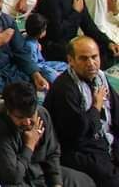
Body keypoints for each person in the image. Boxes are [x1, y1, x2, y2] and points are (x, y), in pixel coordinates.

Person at [0, 81, 94, 187]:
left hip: (38, 172)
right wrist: (29, 145)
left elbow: (53, 153)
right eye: (20, 117)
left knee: (85, 181)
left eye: (31, 116)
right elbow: (13, 177)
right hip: (10, 181)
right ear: (8, 112)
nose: (27, 122)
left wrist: (56, 182)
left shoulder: (42, 114)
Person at [43, 36, 119, 184]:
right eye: (83, 59)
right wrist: (96, 107)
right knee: (112, 180)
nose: (91, 63)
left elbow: (115, 110)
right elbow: (77, 132)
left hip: (104, 137)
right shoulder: (64, 89)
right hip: (80, 148)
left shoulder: (100, 77)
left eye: (94, 57)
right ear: (71, 60)